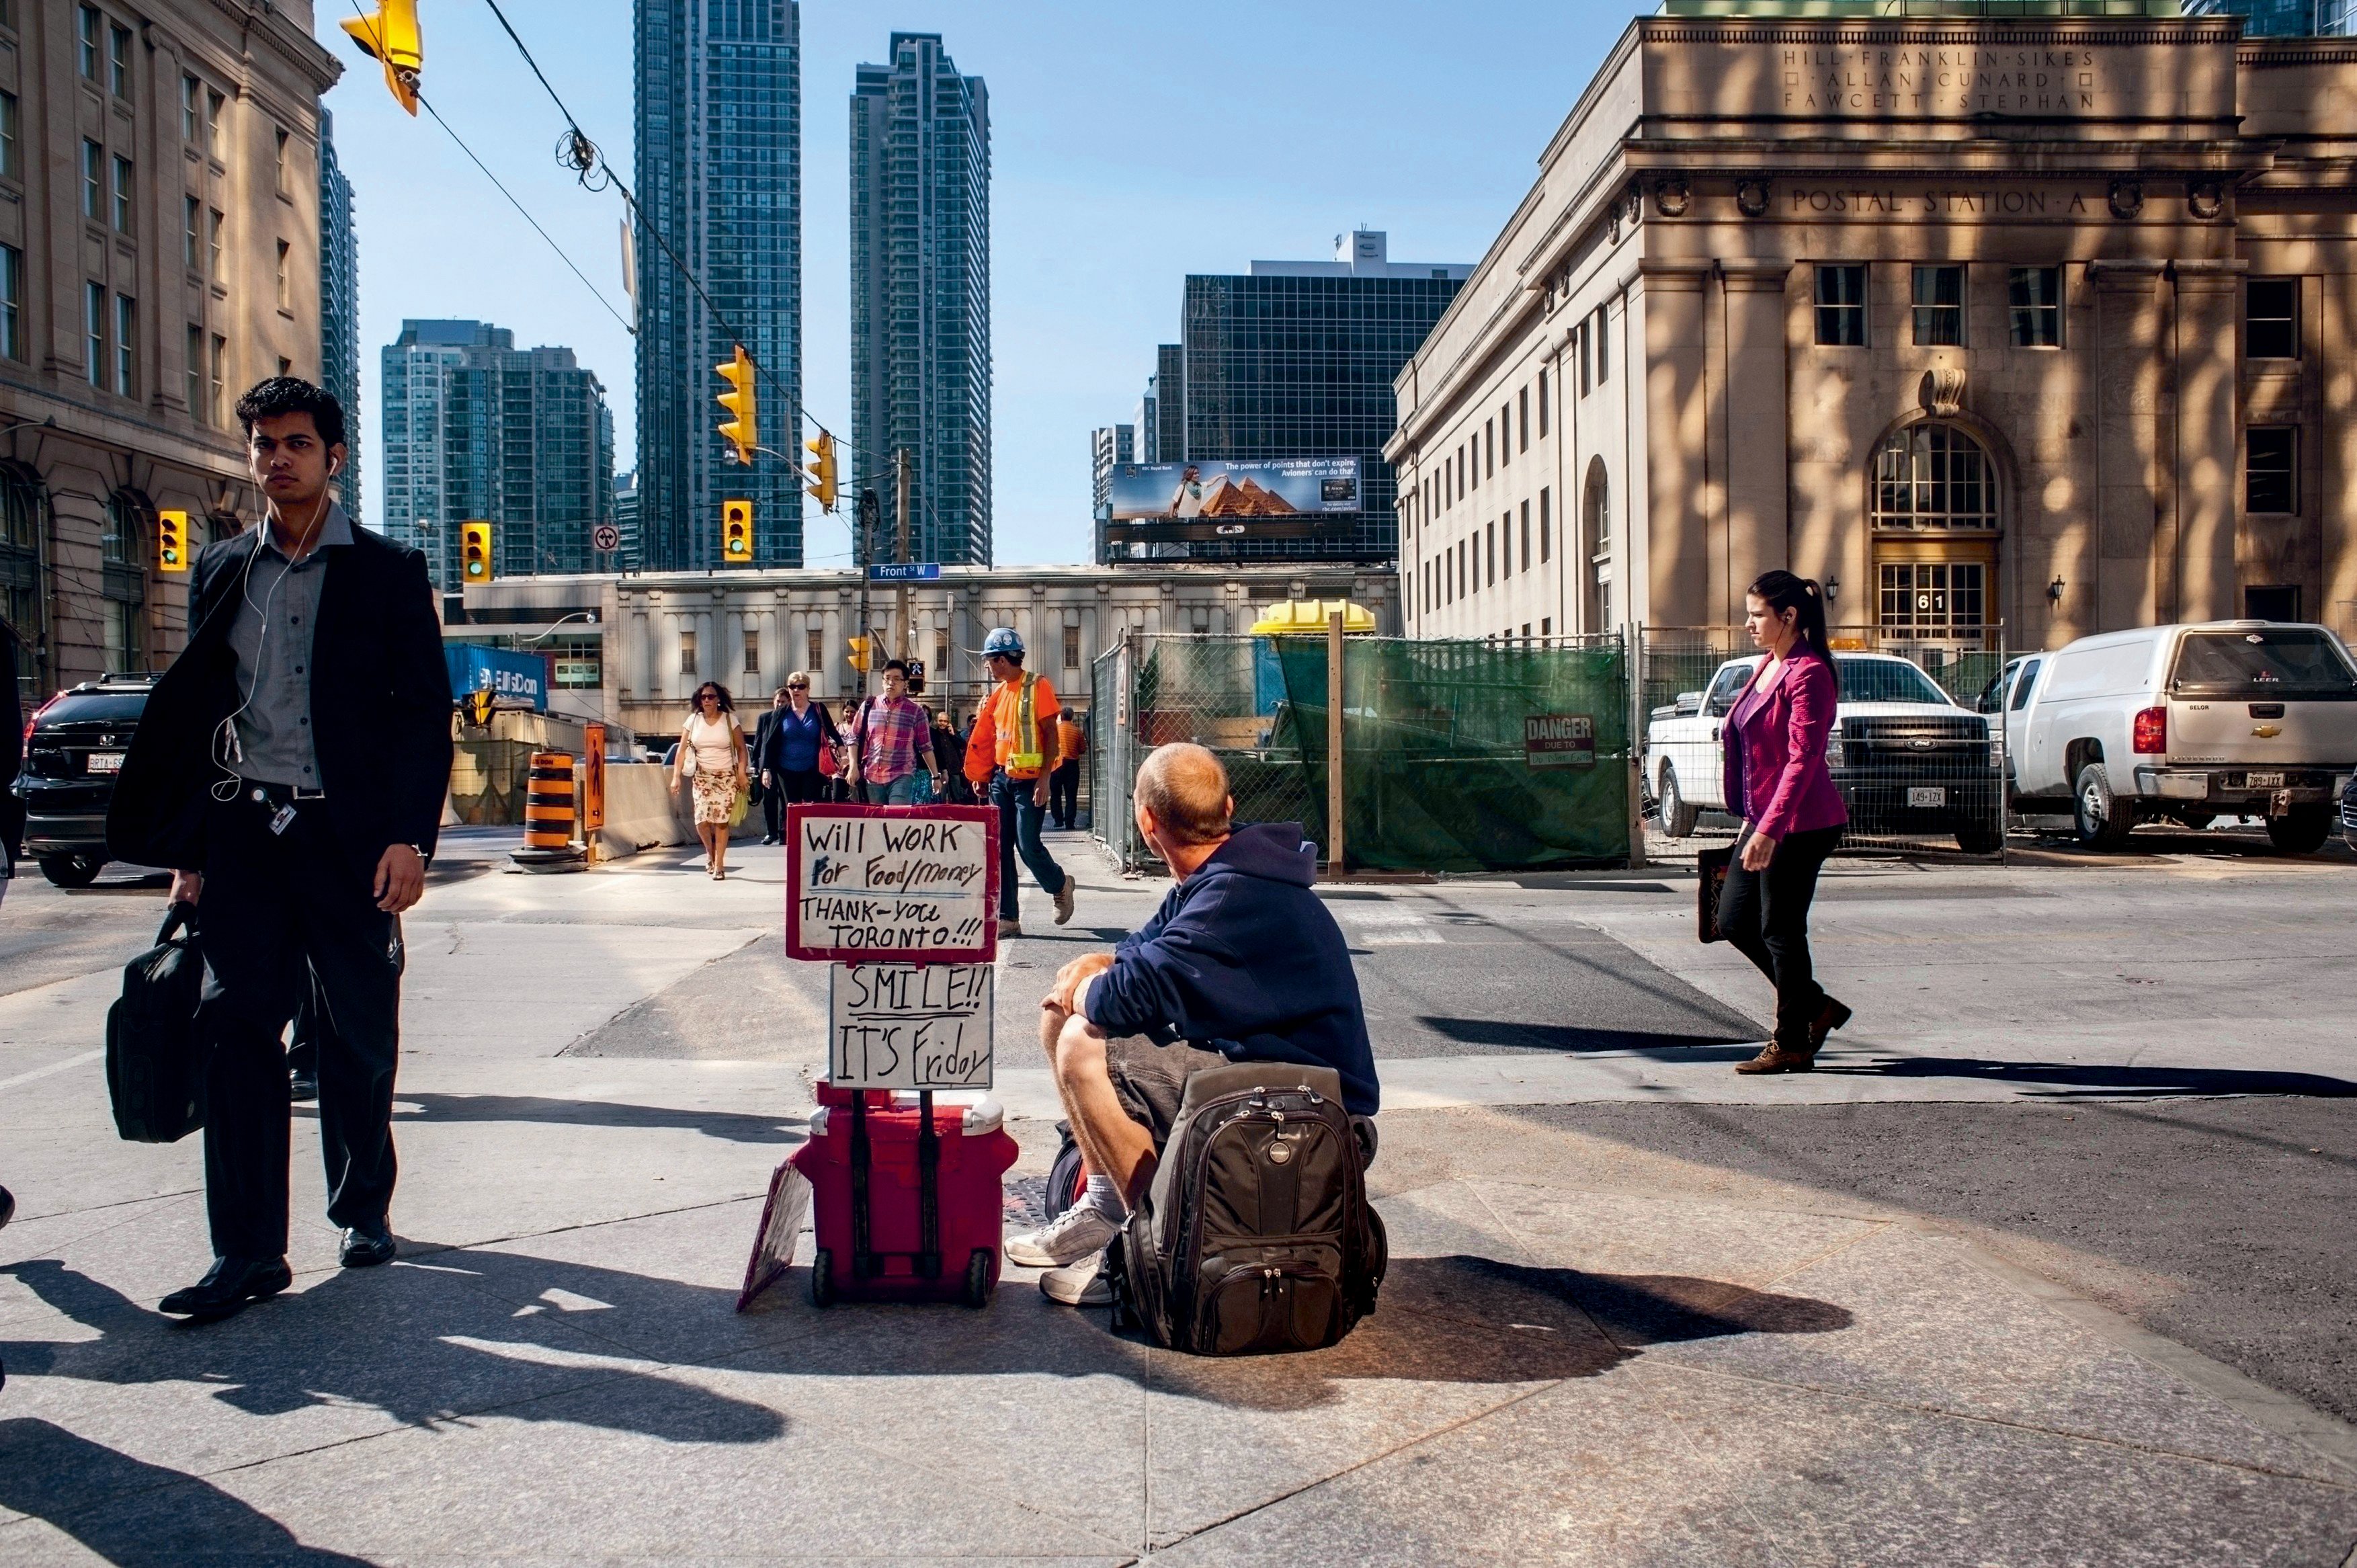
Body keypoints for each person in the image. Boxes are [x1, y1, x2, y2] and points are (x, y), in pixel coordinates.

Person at [106, 377, 453, 1321]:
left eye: (296, 443)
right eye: (264, 444)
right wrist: (190, 853)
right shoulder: (221, 568)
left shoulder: (388, 570)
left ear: (332, 456)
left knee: (356, 1032)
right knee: (235, 1030)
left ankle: (361, 1206)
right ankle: (248, 1250)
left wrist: (408, 838)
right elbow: (198, 714)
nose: (278, 459)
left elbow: (423, 714)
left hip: (349, 840)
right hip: (244, 834)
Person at [1006, 743, 1378, 1305]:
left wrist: (1084, 985)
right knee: (1062, 1018)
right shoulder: (1215, 874)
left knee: (1083, 1041)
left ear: (1146, 821)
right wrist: (1089, 969)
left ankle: (1152, 1255)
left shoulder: (1233, 893)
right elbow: (1140, 951)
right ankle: (1107, 1209)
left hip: (1311, 1113)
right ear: (1227, 806)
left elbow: (1127, 995)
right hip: (1263, 1077)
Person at [1718, 569, 1852, 1075]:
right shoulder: (1768, 665)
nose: (1748, 624)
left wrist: (1769, 829)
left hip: (1801, 822)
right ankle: (1815, 1005)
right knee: (1733, 920)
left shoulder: (1808, 673)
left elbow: (1802, 760)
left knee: (1780, 929)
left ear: (1788, 616)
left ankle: (1792, 1042)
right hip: (1765, 818)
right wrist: (1751, 820)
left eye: (1757, 615)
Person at [963, 628, 1073, 937]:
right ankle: (1009, 918)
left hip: (1030, 782)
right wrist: (983, 776)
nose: (987, 665)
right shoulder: (998, 695)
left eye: (989, 660)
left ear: (1002, 660)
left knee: (1028, 845)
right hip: (1001, 779)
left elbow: (1051, 734)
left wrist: (1045, 778)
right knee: (1001, 849)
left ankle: (1060, 884)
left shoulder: (1038, 686)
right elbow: (991, 738)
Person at [671, 682, 748, 880]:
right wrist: (676, 777)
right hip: (702, 777)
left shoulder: (729, 720)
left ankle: (719, 864)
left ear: (718, 699)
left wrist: (741, 774)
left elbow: (741, 749)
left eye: (711, 697)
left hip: (726, 778)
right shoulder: (693, 721)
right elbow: (681, 751)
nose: (707, 700)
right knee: (702, 821)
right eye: (703, 697)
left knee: (721, 822)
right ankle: (709, 852)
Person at [847, 659, 944, 806]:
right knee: (878, 819)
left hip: (902, 775)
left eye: (897, 679)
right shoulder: (868, 706)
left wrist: (935, 777)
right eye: (887, 678)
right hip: (873, 777)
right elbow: (854, 738)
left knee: (897, 816)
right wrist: (853, 766)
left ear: (905, 684)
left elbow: (925, 747)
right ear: (882, 681)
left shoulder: (916, 712)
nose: (891, 683)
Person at [761, 672, 839, 827]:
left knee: (811, 806)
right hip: (786, 769)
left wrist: (844, 756)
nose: (796, 690)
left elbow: (833, 732)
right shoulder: (781, 712)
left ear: (808, 690)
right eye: (792, 687)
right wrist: (766, 769)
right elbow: (770, 742)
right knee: (791, 807)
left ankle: (811, 838)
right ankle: (792, 838)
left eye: (801, 687)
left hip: (812, 768)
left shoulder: (818, 709)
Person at [749, 688, 788, 845]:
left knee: (785, 801)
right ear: (773, 701)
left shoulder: (790, 719)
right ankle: (771, 832)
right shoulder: (765, 718)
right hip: (768, 766)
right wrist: (755, 764)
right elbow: (758, 741)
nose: (780, 705)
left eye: (783, 702)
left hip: (786, 765)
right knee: (769, 800)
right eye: (778, 701)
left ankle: (784, 832)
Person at [1050, 711, 1087, 831]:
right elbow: (1082, 749)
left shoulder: (1055, 730)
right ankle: (1070, 822)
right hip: (1072, 765)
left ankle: (1058, 820)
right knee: (1071, 795)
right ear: (1072, 717)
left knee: (1055, 794)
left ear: (1061, 717)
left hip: (1056, 764)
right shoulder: (1077, 731)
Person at [931, 709, 973, 804]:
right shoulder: (935, 735)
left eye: (945, 721)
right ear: (937, 721)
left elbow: (963, 745)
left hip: (954, 769)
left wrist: (953, 735)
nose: (943, 723)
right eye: (941, 721)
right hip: (941, 770)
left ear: (948, 722)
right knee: (941, 797)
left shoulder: (953, 733)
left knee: (957, 797)